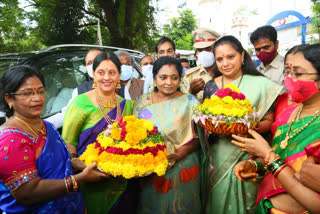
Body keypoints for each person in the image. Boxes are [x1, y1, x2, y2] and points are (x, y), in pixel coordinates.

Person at [0, 65, 107, 213]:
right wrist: (80, 179)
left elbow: (58, 162)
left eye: (40, 91)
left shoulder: (46, 126)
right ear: (9, 98)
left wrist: (75, 163)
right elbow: (27, 193)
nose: (37, 98)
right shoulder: (10, 139)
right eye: (27, 93)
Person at [232, 43, 320, 213]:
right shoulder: (288, 114)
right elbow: (281, 157)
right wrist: (256, 165)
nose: (289, 80)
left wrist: (267, 155)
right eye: (288, 73)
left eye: (299, 73)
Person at [201, 35, 283, 214]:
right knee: (216, 202)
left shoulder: (262, 84)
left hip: (248, 153)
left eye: (231, 57)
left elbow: (269, 120)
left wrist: (246, 128)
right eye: (219, 59)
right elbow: (206, 118)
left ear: (242, 56)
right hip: (217, 155)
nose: (225, 63)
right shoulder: (210, 86)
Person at [62, 52, 137, 214]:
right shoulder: (80, 103)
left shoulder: (128, 105)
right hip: (89, 180)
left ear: (119, 75)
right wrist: (84, 168)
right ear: (93, 74)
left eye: (112, 72)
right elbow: (68, 144)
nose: (107, 78)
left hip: (122, 182)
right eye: (101, 72)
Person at [133, 56, 201, 213]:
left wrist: (177, 154)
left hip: (183, 166)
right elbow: (134, 135)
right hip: (151, 169)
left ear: (180, 79)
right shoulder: (144, 102)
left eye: (174, 77)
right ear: (155, 79)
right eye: (163, 77)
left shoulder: (190, 102)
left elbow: (200, 138)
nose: (169, 82)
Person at [270, 44, 309, 137]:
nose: (291, 77)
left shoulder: (313, 105)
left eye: (298, 72)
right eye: (287, 70)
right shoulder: (281, 99)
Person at [183, 28, 220, 102]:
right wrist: (191, 92)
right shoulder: (189, 76)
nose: (204, 53)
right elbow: (184, 107)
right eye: (200, 50)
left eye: (208, 49)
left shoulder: (227, 71)